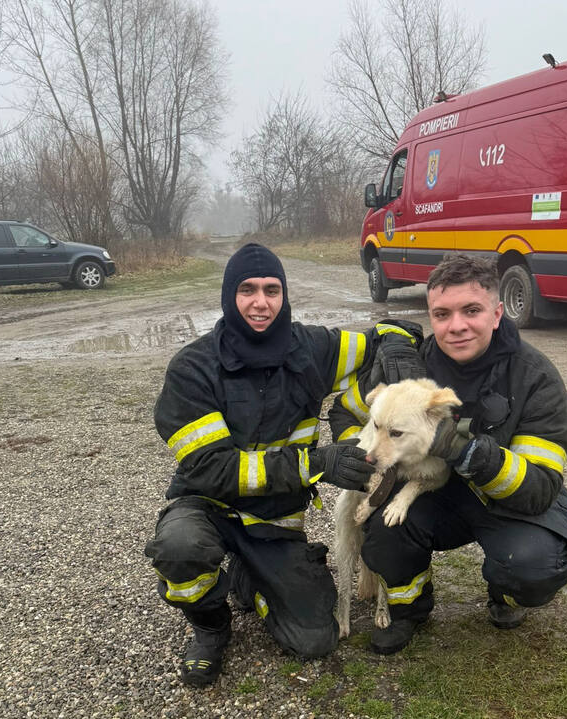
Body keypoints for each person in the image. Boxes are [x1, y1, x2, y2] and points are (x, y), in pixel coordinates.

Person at [144, 243, 422, 686]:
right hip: (206, 507)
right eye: (247, 290)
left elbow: (385, 335)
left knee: (315, 639)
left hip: (274, 518)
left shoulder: (310, 347)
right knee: (180, 548)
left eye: (272, 290)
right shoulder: (193, 368)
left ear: (284, 294)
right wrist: (317, 463)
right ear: (228, 296)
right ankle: (210, 626)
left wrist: (399, 346)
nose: (261, 302)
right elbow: (212, 469)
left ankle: (246, 580)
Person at [329, 254, 567, 655]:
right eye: (441, 314)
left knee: (534, 566)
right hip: (433, 494)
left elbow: (539, 488)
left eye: (471, 310)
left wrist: (467, 452)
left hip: (504, 501)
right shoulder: (410, 367)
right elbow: (347, 410)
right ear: (431, 317)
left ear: (497, 312)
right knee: (382, 530)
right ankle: (410, 609)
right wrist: (356, 453)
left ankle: (504, 595)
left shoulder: (535, 378)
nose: (456, 326)